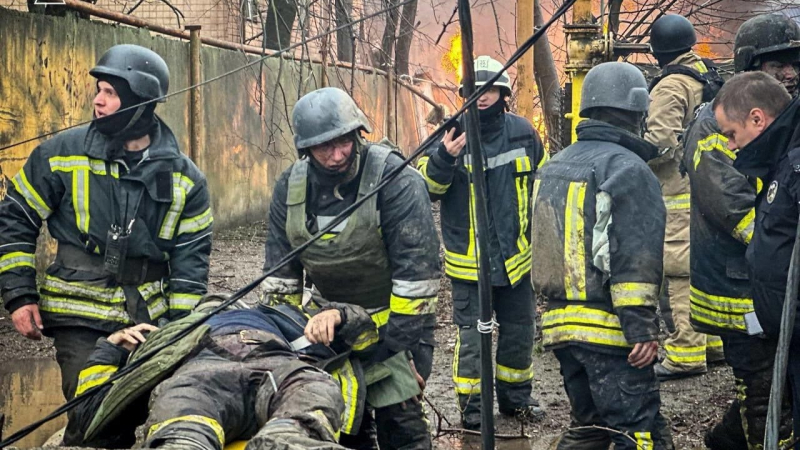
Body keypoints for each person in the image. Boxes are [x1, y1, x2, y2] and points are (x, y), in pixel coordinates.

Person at [0, 44, 212, 401]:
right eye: (98, 90)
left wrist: (178, 332)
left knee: (153, 406)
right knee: (91, 406)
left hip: (150, 319)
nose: (97, 101)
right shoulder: (61, 153)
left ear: (139, 102)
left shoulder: (185, 177)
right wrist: (19, 295)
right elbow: (16, 218)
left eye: (110, 93)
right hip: (78, 318)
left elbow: (191, 264)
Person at [261, 87, 441, 449]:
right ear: (305, 149)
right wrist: (287, 347)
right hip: (327, 332)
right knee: (338, 426)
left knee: (402, 427)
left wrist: (395, 353)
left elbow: (417, 278)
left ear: (358, 133)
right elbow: (280, 281)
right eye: (324, 146)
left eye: (344, 141)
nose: (337, 154)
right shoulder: (290, 187)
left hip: (397, 331)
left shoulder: (396, 180)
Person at [531, 61, 673, 450]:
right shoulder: (629, 169)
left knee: (590, 426)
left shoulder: (555, 164)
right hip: (611, 332)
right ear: (636, 112)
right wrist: (641, 327)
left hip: (561, 328)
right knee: (639, 431)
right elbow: (634, 255)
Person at [681, 14, 800, 448]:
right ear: (750, 65)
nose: (789, 73)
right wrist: (783, 245)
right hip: (735, 291)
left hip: (768, 283)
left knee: (780, 380)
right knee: (762, 386)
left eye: (794, 62)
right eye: (777, 65)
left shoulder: (785, 117)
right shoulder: (715, 124)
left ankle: (723, 442)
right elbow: (732, 207)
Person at [417, 55, 547, 430]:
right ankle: (473, 412)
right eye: (475, 90)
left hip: (516, 260)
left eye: (490, 88)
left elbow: (543, 181)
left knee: (520, 333)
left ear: (503, 93)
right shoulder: (448, 136)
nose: (483, 96)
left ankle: (516, 401)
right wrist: (444, 157)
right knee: (473, 341)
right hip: (470, 265)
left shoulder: (524, 132)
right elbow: (426, 189)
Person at [63, 296, 377, 450]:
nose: (220, 303)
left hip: (276, 361)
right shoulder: (170, 333)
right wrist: (111, 347)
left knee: (313, 387)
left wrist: (339, 314)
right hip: (200, 369)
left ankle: (289, 438)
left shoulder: (282, 315)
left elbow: (367, 337)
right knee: (182, 412)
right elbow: (87, 416)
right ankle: (183, 442)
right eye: (212, 302)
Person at [717, 72, 800, 443]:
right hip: (789, 337)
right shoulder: (780, 164)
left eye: (731, 134)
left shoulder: (795, 166)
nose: (731, 147)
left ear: (757, 118)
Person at [645, 14, 725, 380]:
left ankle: (685, 353)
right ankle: (714, 343)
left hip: (677, 192)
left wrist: (633, 153)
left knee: (679, 270)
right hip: (710, 189)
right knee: (706, 263)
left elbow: (660, 142)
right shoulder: (706, 78)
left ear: (658, 50)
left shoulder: (670, 87)